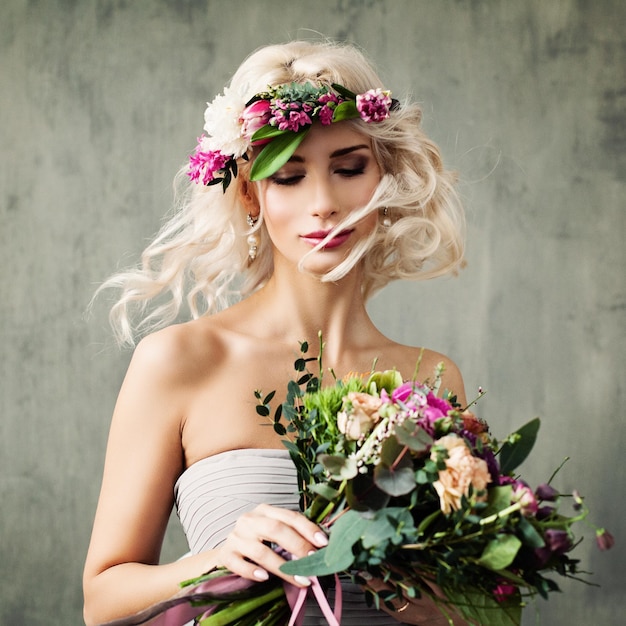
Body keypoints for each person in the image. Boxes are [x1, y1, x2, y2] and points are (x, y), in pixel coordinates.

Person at [83, 40, 468, 626]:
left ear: (384, 176)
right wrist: (218, 563)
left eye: (348, 168)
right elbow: (101, 602)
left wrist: (388, 570)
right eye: (288, 177)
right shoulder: (182, 361)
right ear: (250, 194)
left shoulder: (429, 380)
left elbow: (458, 611)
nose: (323, 204)